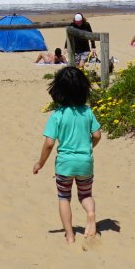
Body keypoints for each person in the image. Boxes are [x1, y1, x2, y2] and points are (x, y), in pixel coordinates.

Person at [33, 65, 102, 246]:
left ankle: (70, 235)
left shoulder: (57, 115)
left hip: (64, 164)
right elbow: (97, 135)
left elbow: (49, 144)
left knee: (64, 197)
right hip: (85, 162)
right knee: (85, 195)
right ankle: (90, 214)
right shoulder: (87, 112)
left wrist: (40, 163)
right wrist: (89, 147)